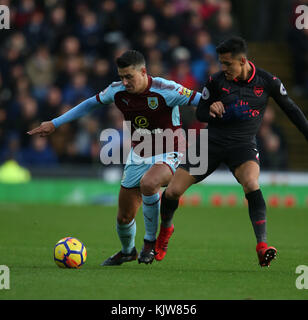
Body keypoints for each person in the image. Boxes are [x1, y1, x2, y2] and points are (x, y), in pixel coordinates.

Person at [27, 50, 201, 265]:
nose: (125, 82)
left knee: (150, 183)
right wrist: (55, 123)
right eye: (121, 77)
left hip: (171, 150)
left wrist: (224, 113)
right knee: (124, 218)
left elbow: (201, 100)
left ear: (144, 72)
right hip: (139, 154)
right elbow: (89, 104)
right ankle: (128, 251)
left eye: (129, 76)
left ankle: (149, 243)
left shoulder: (167, 89)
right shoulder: (117, 91)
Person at [155, 37, 308, 267]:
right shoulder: (216, 81)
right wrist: (211, 109)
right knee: (172, 192)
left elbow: (292, 110)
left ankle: (262, 245)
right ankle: (164, 234)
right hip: (210, 143)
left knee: (251, 184)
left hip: (242, 145)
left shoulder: (268, 81)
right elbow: (201, 113)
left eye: (227, 64)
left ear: (243, 61)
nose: (223, 68)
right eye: (221, 63)